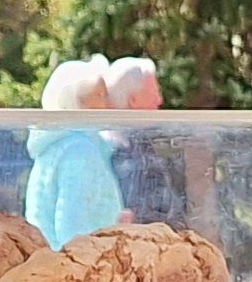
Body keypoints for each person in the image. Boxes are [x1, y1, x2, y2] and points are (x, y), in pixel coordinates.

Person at [22, 54, 162, 240]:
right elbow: (72, 225)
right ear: (78, 102)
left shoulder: (59, 146)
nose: (108, 103)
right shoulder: (79, 151)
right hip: (83, 262)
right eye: (100, 95)